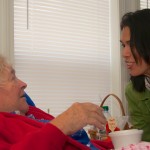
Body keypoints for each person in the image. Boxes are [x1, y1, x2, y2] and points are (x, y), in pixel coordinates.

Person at [0, 54, 114, 150]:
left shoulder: (28, 111)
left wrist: (115, 144)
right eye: (12, 78)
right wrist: (63, 124)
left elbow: (78, 143)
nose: (23, 84)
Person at [120, 8, 150, 141]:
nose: (124, 53)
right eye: (123, 45)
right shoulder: (132, 91)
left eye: (131, 44)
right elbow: (143, 141)